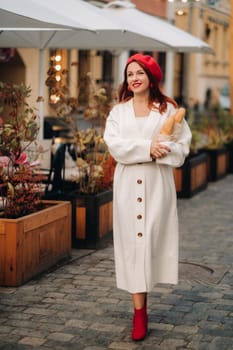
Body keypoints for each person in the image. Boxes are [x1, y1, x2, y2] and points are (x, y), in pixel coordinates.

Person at [103, 53, 192, 341]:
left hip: (157, 184)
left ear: (151, 77)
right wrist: (146, 147)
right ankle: (139, 313)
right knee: (132, 245)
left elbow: (182, 147)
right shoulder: (118, 112)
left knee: (151, 241)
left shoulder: (167, 111)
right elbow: (114, 145)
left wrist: (164, 150)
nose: (134, 78)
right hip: (128, 185)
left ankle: (144, 302)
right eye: (130, 74)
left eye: (140, 72)